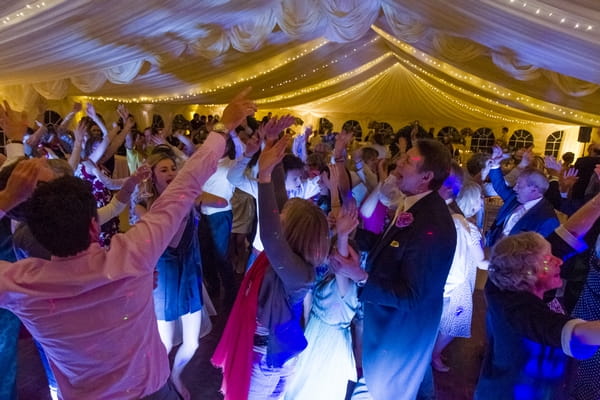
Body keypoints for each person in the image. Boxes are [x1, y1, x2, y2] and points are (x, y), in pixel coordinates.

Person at [0, 89, 255, 399]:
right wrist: (222, 128)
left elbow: (182, 187)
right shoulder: (132, 254)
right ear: (95, 226)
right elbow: (185, 187)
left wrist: (6, 200)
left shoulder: (21, 286)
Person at [212, 132, 330, 400]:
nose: (279, 217)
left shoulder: (298, 275)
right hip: (274, 355)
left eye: (284, 218)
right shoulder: (293, 261)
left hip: (264, 360)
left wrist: (264, 176)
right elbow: (278, 201)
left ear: (292, 231)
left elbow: (270, 235)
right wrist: (271, 149)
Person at [352, 139, 457, 400]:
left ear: (426, 177)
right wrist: (351, 233)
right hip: (389, 324)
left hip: (400, 331)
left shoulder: (432, 223)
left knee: (388, 392)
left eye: (408, 161)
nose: (398, 163)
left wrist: (362, 277)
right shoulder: (414, 204)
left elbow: (412, 295)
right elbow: (393, 248)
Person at [474, 229, 600, 399]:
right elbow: (579, 335)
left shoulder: (502, 283)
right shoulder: (522, 315)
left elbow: (568, 234)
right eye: (549, 259)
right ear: (527, 274)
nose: (559, 261)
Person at [486, 145, 559, 248]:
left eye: (519, 185)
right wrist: (495, 164)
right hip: (493, 248)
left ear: (534, 189)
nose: (515, 188)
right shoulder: (514, 198)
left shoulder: (547, 218)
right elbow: (500, 186)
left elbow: (538, 252)